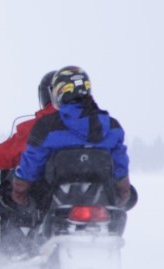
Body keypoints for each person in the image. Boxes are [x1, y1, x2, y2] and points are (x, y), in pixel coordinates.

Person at [11, 66, 132, 212]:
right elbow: (120, 163)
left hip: (54, 201)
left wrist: (20, 189)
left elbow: (32, 162)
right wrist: (123, 189)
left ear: (59, 92)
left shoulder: (46, 127)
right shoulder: (113, 126)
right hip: (100, 200)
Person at [0, 71, 59, 252]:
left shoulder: (37, 127)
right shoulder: (93, 127)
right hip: (88, 197)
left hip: (42, 199)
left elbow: (4, 156)